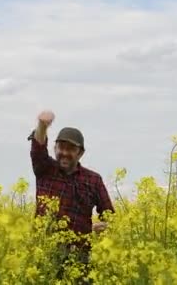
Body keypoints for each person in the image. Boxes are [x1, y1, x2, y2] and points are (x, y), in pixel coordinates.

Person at [28, 110, 114, 283]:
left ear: (80, 153)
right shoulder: (45, 169)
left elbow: (109, 215)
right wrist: (42, 125)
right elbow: (38, 148)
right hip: (45, 252)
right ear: (55, 148)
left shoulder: (93, 179)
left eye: (71, 149)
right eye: (61, 147)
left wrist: (101, 226)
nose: (64, 153)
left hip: (79, 257)